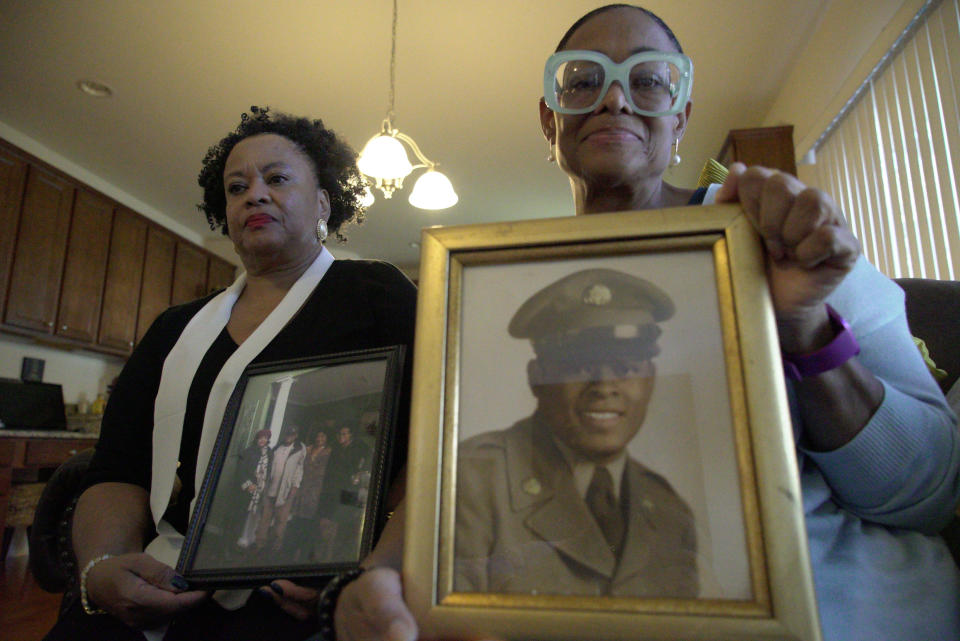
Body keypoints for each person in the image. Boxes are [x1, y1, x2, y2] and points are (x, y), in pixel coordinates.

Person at [332, 5, 960, 641]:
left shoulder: (781, 237)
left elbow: (926, 493)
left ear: (680, 115)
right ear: (549, 119)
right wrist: (382, 570)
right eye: (581, 80)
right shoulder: (494, 286)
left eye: (648, 80)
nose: (613, 99)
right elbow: (464, 464)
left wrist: (803, 328)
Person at [46, 106, 417, 641]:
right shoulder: (174, 329)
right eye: (237, 186)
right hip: (161, 584)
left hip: (313, 594)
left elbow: (430, 455)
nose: (255, 195)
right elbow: (117, 469)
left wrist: (374, 571)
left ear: (322, 203)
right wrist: (102, 568)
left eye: (277, 178)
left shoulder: (376, 295)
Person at [455, 268, 698, 597]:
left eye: (626, 367)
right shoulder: (473, 479)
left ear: (651, 379)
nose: (604, 387)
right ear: (537, 378)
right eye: (579, 365)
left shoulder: (670, 509)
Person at [255, 424, 306, 553]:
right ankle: (259, 545)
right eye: (287, 434)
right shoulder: (277, 448)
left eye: (292, 434)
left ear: (296, 436)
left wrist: (295, 486)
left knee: (280, 522)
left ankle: (274, 548)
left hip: (286, 492)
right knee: (264, 519)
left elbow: (300, 470)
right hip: (270, 490)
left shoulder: (300, 449)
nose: (289, 437)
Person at [285, 429, 334, 562]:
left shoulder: (329, 451)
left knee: (310, 522)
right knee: (297, 521)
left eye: (323, 435)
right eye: (318, 435)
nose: (320, 438)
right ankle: (294, 550)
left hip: (317, 489)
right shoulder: (308, 449)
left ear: (327, 437)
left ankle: (305, 552)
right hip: (303, 487)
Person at [236, 429, 273, 550]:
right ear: (257, 438)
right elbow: (240, 470)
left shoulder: (269, 453)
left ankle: (247, 541)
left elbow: (269, 471)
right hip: (246, 490)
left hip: (259, 492)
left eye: (265, 438)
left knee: (252, 517)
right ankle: (233, 544)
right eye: (261, 437)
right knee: (240, 516)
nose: (263, 440)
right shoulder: (249, 451)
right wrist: (248, 484)